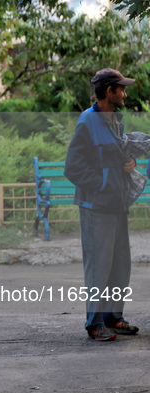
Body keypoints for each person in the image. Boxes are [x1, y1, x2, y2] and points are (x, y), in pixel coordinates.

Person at [64, 68, 140, 342]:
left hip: (117, 206)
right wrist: (103, 183)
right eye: (121, 89)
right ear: (109, 92)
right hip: (96, 208)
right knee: (99, 266)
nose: (125, 94)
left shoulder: (115, 121)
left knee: (120, 265)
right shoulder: (87, 122)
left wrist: (129, 165)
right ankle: (95, 323)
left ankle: (113, 318)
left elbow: (115, 157)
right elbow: (72, 167)